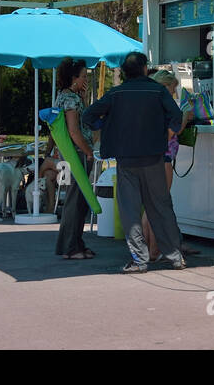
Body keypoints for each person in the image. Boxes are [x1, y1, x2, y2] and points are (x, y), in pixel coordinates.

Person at [83, 52, 187, 272]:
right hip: (154, 157)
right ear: (143, 69)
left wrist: (109, 126)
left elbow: (89, 116)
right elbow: (176, 117)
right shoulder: (157, 90)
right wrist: (165, 132)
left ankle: (140, 260)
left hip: (126, 159)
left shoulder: (116, 93)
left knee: (130, 210)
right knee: (160, 206)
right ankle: (175, 256)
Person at [142, 70, 200, 260]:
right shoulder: (163, 106)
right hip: (163, 158)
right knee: (159, 205)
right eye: (173, 88)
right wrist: (184, 117)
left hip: (148, 158)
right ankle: (154, 250)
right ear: (165, 86)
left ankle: (147, 249)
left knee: (149, 206)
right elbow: (169, 133)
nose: (174, 93)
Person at [54, 58, 97, 260]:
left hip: (69, 153)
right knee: (75, 199)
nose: (85, 80)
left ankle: (76, 243)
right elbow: (74, 131)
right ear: (74, 77)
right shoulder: (70, 99)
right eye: (83, 76)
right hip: (76, 153)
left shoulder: (67, 96)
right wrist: (88, 151)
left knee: (78, 199)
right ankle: (70, 247)